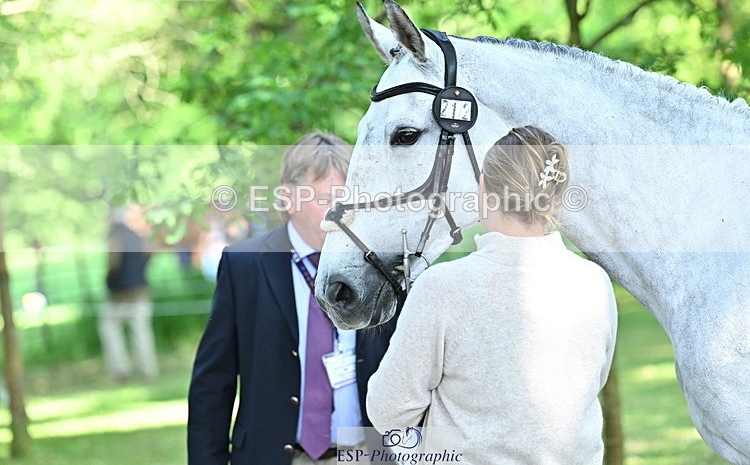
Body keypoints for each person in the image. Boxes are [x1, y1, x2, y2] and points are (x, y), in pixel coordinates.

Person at [367, 126, 618, 464]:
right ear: (557, 195)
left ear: (484, 187)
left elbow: (387, 410)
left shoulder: (442, 287)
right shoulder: (595, 283)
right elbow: (592, 384)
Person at [188, 132, 396, 464]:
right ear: (288, 199)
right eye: (327, 199)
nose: (341, 212)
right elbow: (213, 384)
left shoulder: (380, 265)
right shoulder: (246, 265)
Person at [99, 206, 159, 381]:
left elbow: (113, 263)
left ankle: (120, 369)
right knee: (141, 332)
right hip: (140, 290)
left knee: (110, 329)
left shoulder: (114, 237)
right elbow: (150, 253)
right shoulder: (137, 236)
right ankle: (148, 369)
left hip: (119, 294)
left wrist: (108, 280)